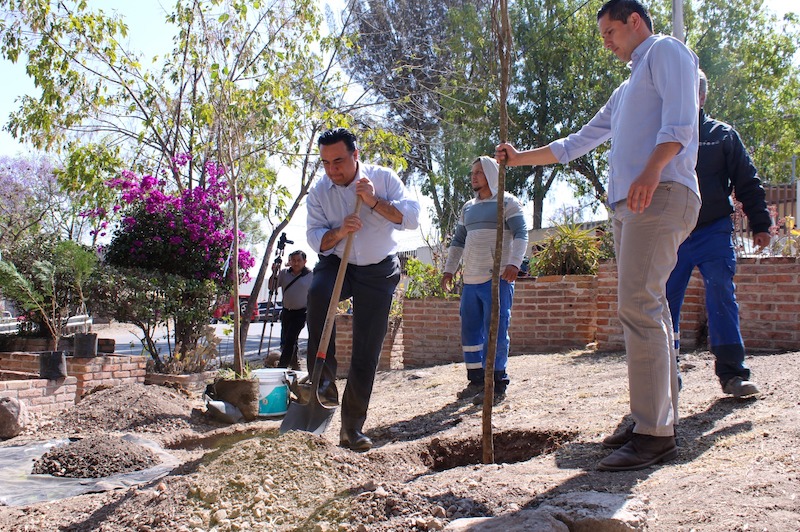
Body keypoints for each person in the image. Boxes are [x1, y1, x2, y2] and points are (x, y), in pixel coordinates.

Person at [496, 0, 700, 471]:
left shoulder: (667, 50)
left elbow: (681, 124)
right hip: (632, 206)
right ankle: (651, 419)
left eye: (610, 31)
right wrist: (518, 157)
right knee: (648, 307)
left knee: (639, 305)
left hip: (661, 192)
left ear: (634, 21)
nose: (606, 42)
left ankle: (654, 436)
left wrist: (650, 172)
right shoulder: (626, 89)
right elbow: (575, 144)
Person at [306, 127, 420, 451]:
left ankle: (351, 429)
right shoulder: (319, 193)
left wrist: (372, 202)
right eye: (326, 163)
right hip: (336, 261)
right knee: (318, 294)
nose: (332, 170)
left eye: (339, 161)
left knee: (366, 350)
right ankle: (323, 381)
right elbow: (315, 238)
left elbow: (410, 218)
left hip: (378, 269)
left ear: (356, 156)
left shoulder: (383, 179)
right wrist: (340, 231)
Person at [666, 70, 770, 398]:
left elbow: (747, 180)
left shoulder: (722, 136)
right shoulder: (662, 136)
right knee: (663, 303)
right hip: (673, 234)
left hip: (713, 230)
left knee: (721, 291)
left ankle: (733, 374)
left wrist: (761, 223)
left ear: (700, 97)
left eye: (689, 92)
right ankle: (667, 374)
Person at [441, 156, 528, 405]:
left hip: (496, 279)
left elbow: (521, 233)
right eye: (472, 173)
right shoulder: (467, 208)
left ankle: (498, 383)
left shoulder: (507, 202)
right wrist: (449, 270)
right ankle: (476, 380)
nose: (474, 177)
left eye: (479, 172)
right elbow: (457, 241)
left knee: (496, 332)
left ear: (490, 173)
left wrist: (514, 263)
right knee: (470, 331)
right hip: (470, 281)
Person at [268, 250, 313, 370]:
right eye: (293, 260)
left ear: (305, 261)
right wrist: (274, 273)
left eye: (299, 260)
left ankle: (282, 366)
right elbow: (272, 286)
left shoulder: (311, 275)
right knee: (287, 340)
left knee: (290, 339)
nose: (296, 263)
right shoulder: (284, 273)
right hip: (286, 311)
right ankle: (295, 365)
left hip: (301, 312)